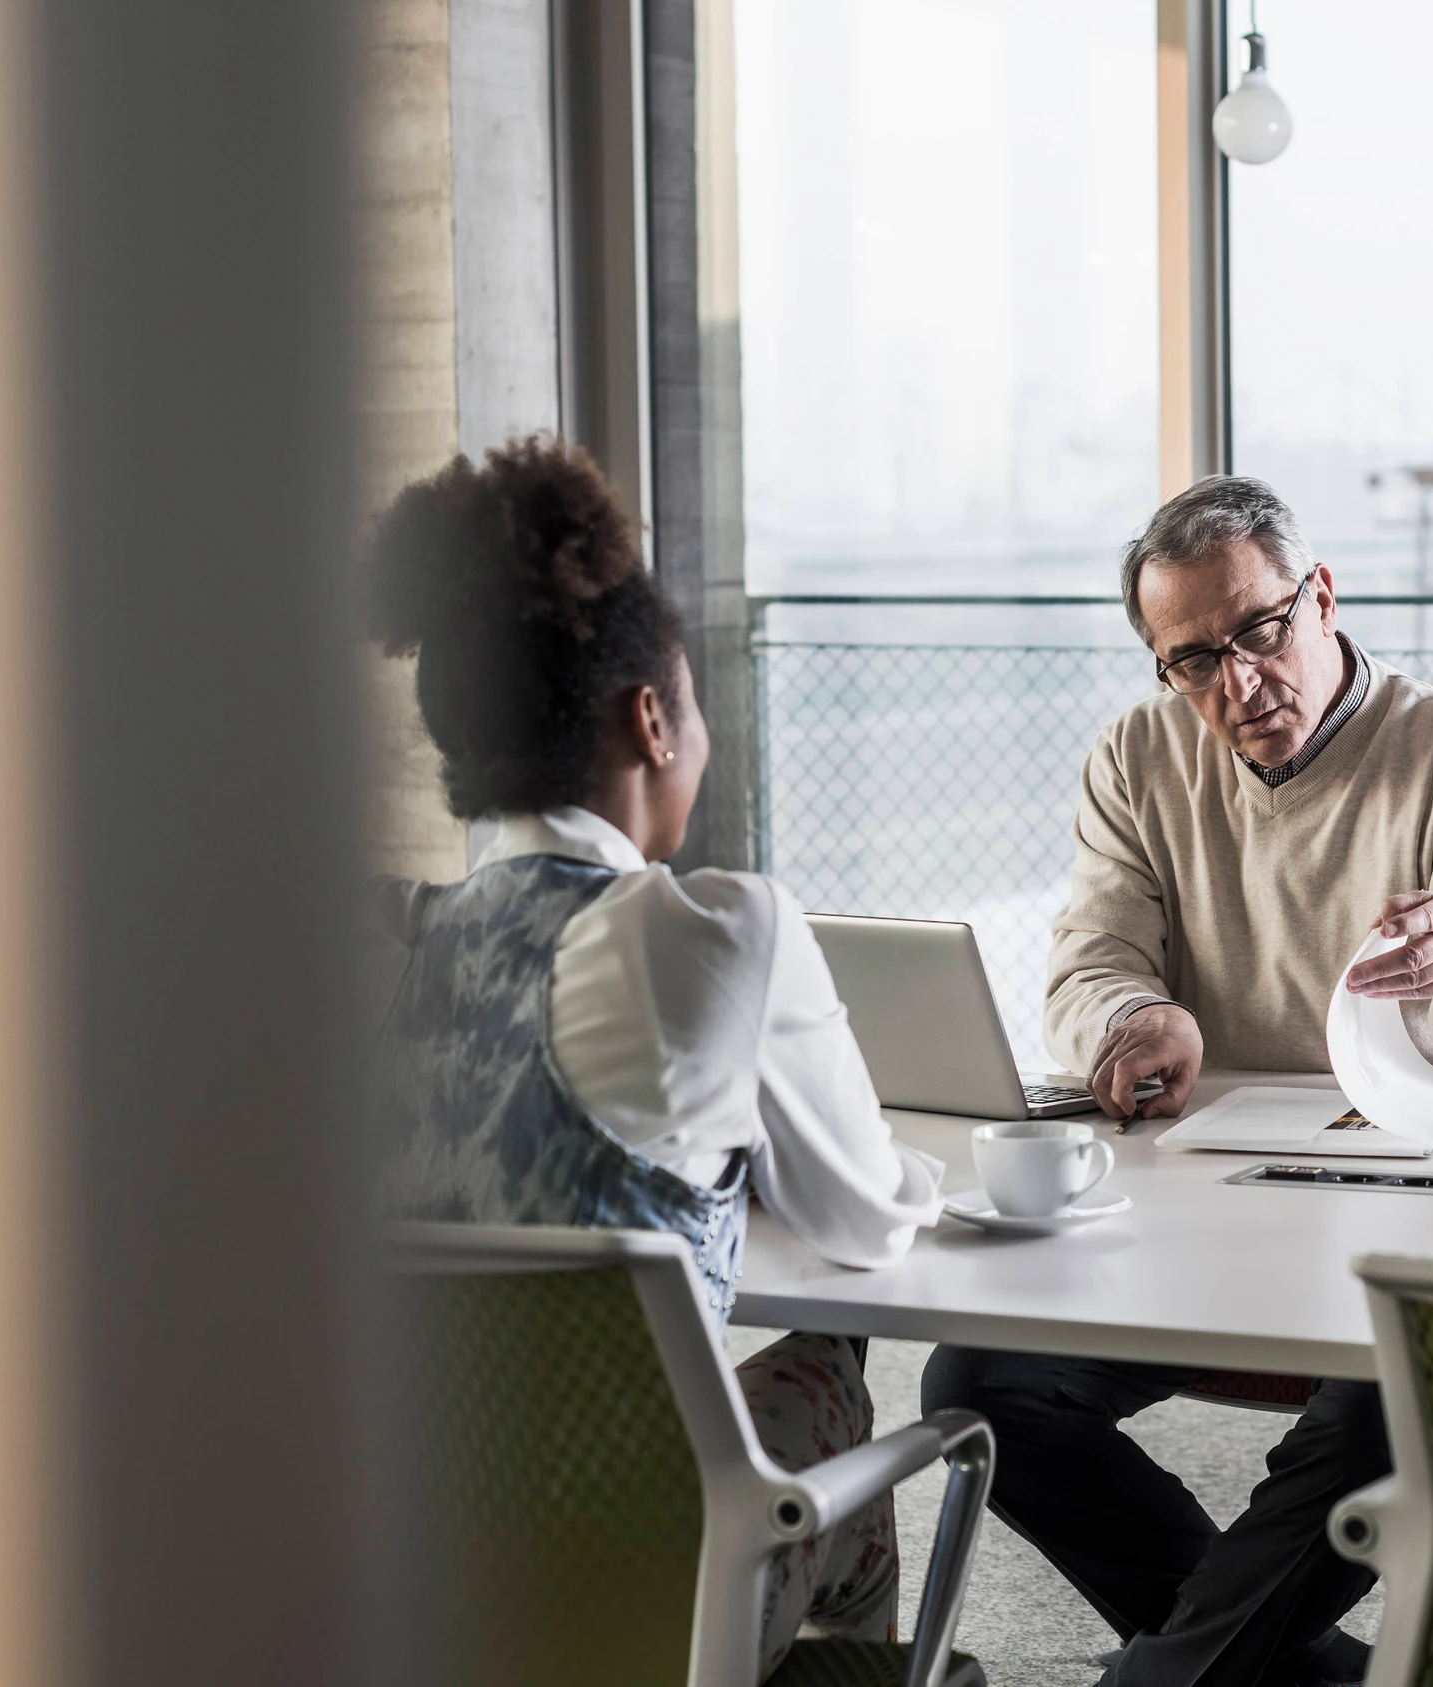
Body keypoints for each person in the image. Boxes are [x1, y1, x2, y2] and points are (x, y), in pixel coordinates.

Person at [924, 475, 1433, 1687]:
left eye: (1261, 631)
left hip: (1404, 1214)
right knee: (979, 1383)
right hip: (1204, 1209)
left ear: (1319, 597)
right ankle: (1279, 1671)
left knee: (1398, 1415)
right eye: (1194, 659)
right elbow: (1087, 967)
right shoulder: (1139, 753)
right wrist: (1135, 1013)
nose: (1239, 682)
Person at [369, 437, 945, 1677]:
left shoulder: (407, 940)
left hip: (420, 1587)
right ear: (650, 718)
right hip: (651, 1595)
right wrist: (931, 1178)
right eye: (695, 705)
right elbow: (862, 1219)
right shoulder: (707, 932)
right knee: (829, 1382)